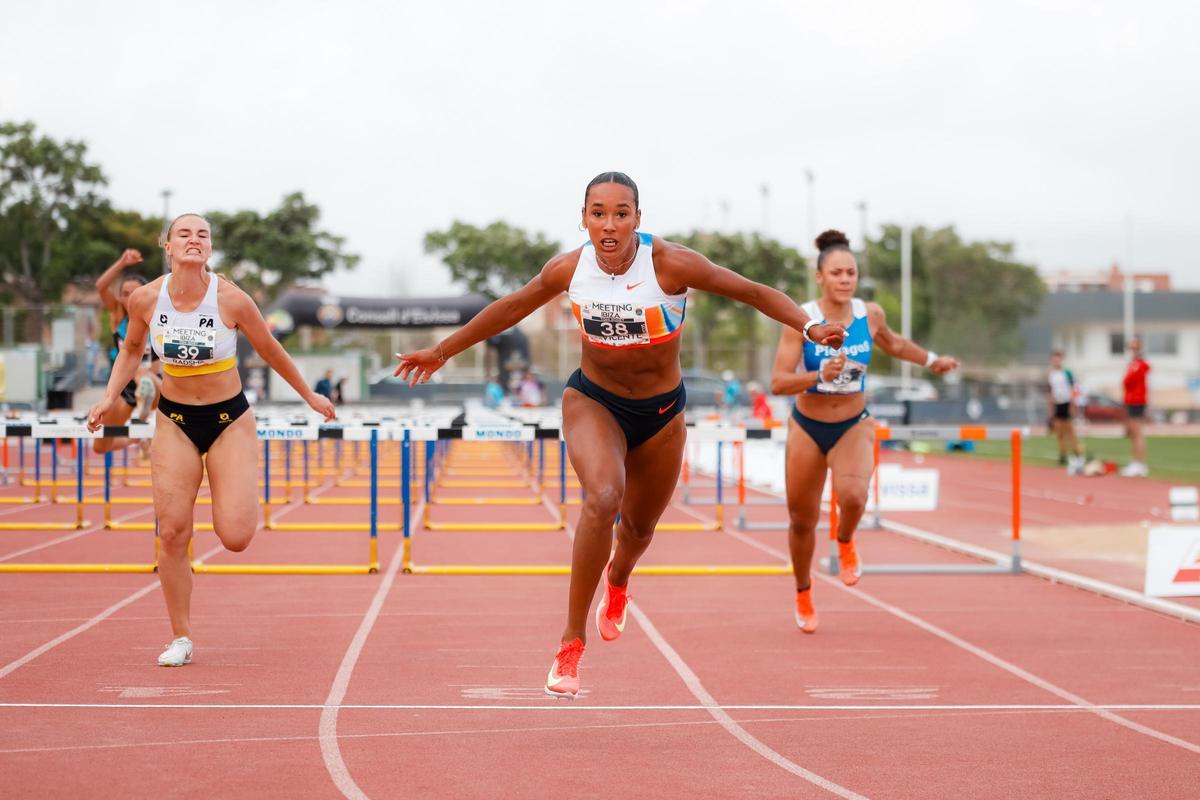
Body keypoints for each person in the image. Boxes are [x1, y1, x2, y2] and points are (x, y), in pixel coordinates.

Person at [394, 172, 845, 698]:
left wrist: (808, 327)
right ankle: (570, 643)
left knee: (638, 531)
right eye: (598, 214)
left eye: (621, 214)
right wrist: (441, 351)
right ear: (584, 219)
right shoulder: (568, 269)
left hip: (662, 413)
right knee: (603, 496)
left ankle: (619, 579)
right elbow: (511, 307)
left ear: (637, 219)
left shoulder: (671, 264)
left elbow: (752, 292)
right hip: (594, 401)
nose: (609, 225)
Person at [87, 213, 335, 667]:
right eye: (184, 233)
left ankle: (232, 491)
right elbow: (132, 349)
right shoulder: (145, 298)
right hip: (175, 420)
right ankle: (180, 636)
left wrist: (310, 395)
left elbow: (270, 349)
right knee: (172, 532)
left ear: (210, 247)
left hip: (229, 420)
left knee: (235, 536)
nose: (194, 239)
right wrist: (108, 397)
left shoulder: (232, 300)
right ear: (167, 245)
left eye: (202, 234)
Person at [770, 229, 959, 634]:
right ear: (819, 277)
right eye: (836, 273)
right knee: (801, 521)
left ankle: (845, 539)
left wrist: (932, 361)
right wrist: (819, 375)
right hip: (807, 425)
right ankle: (803, 591)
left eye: (851, 273)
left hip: (853, 423)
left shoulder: (869, 314)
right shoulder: (802, 320)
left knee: (854, 496)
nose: (845, 279)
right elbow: (778, 383)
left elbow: (895, 344)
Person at [94, 248, 162, 454]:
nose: (129, 298)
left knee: (145, 377)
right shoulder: (118, 316)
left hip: (155, 383)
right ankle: (137, 440)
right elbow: (101, 286)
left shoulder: (157, 315)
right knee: (100, 446)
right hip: (124, 386)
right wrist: (122, 263)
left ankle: (144, 405)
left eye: (134, 293)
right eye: (124, 294)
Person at [1047, 350, 1084, 474]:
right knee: (1059, 431)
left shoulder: (1066, 373)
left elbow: (1073, 389)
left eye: (1057, 358)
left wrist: (1073, 405)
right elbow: (1052, 392)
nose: (1055, 361)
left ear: (1061, 359)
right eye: (1054, 358)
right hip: (1057, 404)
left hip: (1067, 403)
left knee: (1070, 431)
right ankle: (1062, 454)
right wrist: (1051, 409)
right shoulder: (1051, 374)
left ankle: (1077, 453)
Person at [1120, 336, 1150, 477]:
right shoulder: (1132, 364)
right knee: (1133, 434)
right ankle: (1135, 462)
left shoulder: (1140, 364)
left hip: (1137, 401)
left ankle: (1140, 464)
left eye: (1135, 347)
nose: (1132, 350)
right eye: (1131, 347)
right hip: (1131, 401)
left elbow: (1128, 381)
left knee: (1137, 433)